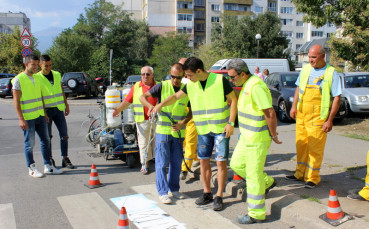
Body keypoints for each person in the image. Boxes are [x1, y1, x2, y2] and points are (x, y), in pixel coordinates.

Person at [152, 57, 237, 211]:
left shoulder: (219, 80)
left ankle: (219, 196)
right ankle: (207, 193)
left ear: (199, 71)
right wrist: (160, 105)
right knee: (203, 161)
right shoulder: (191, 84)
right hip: (203, 130)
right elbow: (175, 97)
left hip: (220, 129)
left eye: (189, 75)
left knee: (220, 162)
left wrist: (231, 123)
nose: (187, 78)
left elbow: (233, 100)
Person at [227, 58, 282, 224]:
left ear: (243, 74)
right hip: (247, 137)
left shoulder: (256, 86)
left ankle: (256, 214)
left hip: (257, 138)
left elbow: (270, 112)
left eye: (233, 77)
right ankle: (267, 182)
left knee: (253, 175)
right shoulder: (247, 84)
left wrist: (273, 135)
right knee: (236, 164)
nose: (231, 80)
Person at [287, 44, 342, 189]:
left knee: (314, 149)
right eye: (309, 57)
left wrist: (329, 120)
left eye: (314, 57)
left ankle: (312, 178)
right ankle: (300, 174)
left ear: (323, 56)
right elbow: (299, 87)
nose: (311, 60)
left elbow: (337, 97)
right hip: (302, 115)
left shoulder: (331, 73)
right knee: (301, 145)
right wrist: (293, 106)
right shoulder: (305, 70)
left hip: (318, 117)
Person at [140, 63, 191, 204]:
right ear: (170, 74)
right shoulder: (162, 86)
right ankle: (163, 192)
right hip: (163, 132)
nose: (175, 80)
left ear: (183, 77)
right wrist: (152, 106)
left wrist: (183, 122)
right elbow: (142, 97)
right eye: (173, 77)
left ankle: (174, 189)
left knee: (176, 163)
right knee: (162, 164)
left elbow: (191, 111)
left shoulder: (186, 89)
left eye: (179, 78)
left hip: (178, 132)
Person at [12, 54, 63, 178]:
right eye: (32, 64)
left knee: (46, 140)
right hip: (28, 118)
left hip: (40, 115)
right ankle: (32, 168)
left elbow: (41, 97)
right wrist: (21, 119)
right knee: (29, 144)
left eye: (36, 64)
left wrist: (44, 113)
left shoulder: (37, 78)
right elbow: (16, 101)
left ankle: (48, 166)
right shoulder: (19, 79)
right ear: (26, 64)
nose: (35, 67)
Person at [112, 66, 157, 174]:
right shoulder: (136, 87)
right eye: (143, 74)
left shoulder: (159, 85)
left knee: (158, 143)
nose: (145, 76)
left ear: (152, 75)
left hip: (157, 120)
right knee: (143, 144)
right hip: (142, 121)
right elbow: (127, 101)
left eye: (147, 74)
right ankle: (145, 165)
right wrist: (118, 109)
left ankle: (159, 162)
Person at [36, 55, 74, 169]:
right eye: (45, 66)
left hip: (58, 108)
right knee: (48, 137)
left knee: (64, 135)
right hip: (47, 110)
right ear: (40, 65)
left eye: (50, 65)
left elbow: (61, 90)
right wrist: (44, 112)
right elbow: (39, 95)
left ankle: (65, 158)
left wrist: (66, 105)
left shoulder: (57, 74)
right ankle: (50, 159)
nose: (48, 67)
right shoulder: (37, 77)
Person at [178, 57, 199, 180]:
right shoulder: (177, 80)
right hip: (182, 116)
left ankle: (185, 168)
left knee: (190, 142)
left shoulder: (192, 81)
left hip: (192, 116)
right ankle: (196, 158)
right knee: (186, 142)